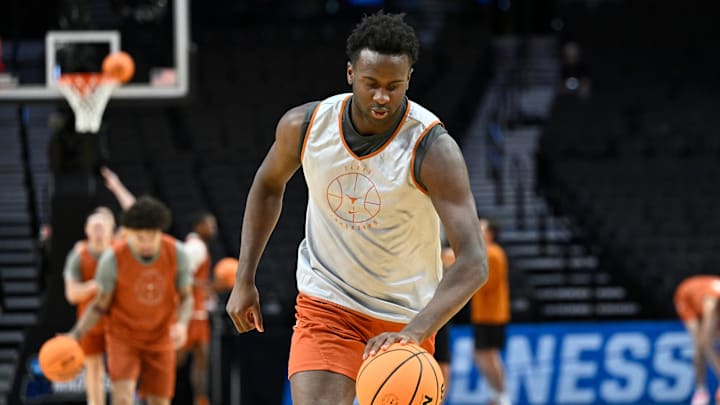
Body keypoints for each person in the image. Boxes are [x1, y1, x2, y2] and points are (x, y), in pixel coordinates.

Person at [225, 11, 488, 405]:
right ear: (350, 73)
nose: (381, 97)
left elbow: (473, 261)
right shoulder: (305, 126)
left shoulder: (433, 150)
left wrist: (416, 332)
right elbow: (267, 184)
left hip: (405, 317)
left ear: (408, 81)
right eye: (371, 84)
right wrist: (244, 277)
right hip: (328, 306)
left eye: (393, 86)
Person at [67, 196, 194, 405]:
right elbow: (100, 305)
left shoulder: (177, 253)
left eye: (151, 236)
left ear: (160, 232)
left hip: (161, 335)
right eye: (139, 237)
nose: (146, 243)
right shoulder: (112, 259)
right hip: (123, 337)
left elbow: (187, 298)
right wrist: (76, 334)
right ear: (128, 234)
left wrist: (182, 324)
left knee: (160, 401)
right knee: (123, 398)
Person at [63, 211, 115, 405]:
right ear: (86, 230)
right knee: (93, 370)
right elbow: (71, 295)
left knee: (120, 369)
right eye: (94, 227)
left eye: (102, 227)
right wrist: (95, 285)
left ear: (112, 230)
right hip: (90, 320)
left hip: (118, 320)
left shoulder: (120, 252)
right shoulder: (79, 255)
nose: (98, 231)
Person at [177, 211, 218, 405]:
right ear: (199, 226)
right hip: (189, 314)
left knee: (202, 361)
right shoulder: (195, 247)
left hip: (198, 313)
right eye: (209, 224)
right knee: (176, 361)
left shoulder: (198, 246)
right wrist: (211, 287)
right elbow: (181, 277)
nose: (213, 228)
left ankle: (200, 400)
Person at [470, 218, 510, 405]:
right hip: (485, 313)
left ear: (490, 234)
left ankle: (501, 395)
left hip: (492, 314)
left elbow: (487, 284)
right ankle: (497, 394)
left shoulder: (493, 254)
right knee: (482, 355)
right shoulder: (485, 253)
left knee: (489, 355)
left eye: (482, 228)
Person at [674, 275, 720, 405]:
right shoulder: (712, 303)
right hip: (687, 296)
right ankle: (701, 390)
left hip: (704, 295)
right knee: (700, 343)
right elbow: (707, 344)